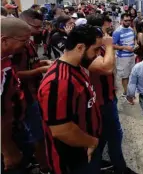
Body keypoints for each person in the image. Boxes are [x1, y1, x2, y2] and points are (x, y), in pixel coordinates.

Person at [38, 25, 103, 174]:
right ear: (80, 47)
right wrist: (92, 142)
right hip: (73, 159)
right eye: (96, 49)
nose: (98, 55)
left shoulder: (76, 67)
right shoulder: (59, 82)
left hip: (85, 149)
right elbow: (62, 130)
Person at [86, 14, 134, 174]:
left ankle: (108, 164)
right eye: (105, 30)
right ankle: (118, 167)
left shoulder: (99, 48)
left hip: (107, 98)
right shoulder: (90, 50)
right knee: (112, 136)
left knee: (105, 136)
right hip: (101, 101)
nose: (107, 34)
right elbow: (106, 68)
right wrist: (110, 45)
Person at [12, 10, 52, 173]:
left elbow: (31, 63)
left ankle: (32, 159)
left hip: (35, 92)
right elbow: (15, 74)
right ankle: (44, 167)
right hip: (26, 97)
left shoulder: (28, 43)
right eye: (36, 26)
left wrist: (42, 62)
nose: (40, 29)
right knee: (38, 134)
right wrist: (40, 70)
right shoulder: (17, 46)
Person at [1, 18, 32, 173]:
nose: (27, 44)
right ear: (4, 40)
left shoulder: (6, 58)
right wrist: (7, 149)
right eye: (24, 40)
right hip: (8, 135)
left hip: (16, 124)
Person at [113, 13, 136, 98]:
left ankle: (130, 91)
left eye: (129, 20)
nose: (128, 22)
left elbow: (133, 40)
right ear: (122, 20)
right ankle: (126, 93)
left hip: (132, 56)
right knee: (125, 76)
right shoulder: (117, 32)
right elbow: (112, 45)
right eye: (126, 20)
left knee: (131, 75)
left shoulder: (131, 29)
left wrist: (135, 46)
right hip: (123, 58)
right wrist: (124, 47)